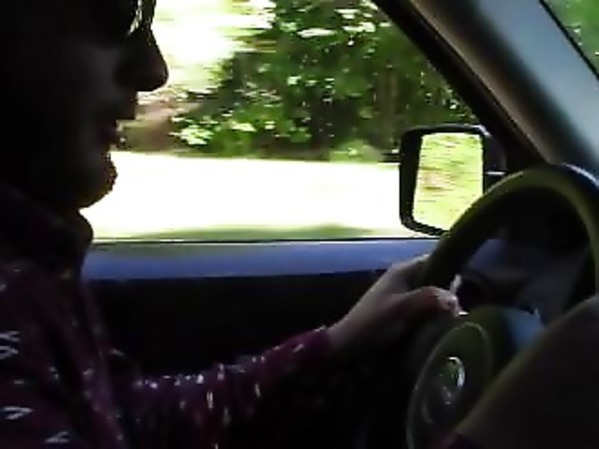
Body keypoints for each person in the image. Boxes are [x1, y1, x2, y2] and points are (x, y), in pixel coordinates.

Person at [0, 1, 466, 448]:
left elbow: (136, 422)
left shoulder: (33, 271)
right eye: (113, 12)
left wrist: (338, 346)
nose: (154, 70)